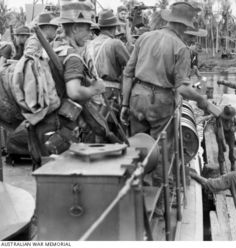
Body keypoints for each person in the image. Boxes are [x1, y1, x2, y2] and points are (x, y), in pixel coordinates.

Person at [120, 2, 221, 215]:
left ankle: (132, 199)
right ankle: (157, 206)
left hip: (137, 97)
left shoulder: (145, 37)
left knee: (137, 149)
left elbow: (127, 73)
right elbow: (183, 88)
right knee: (161, 152)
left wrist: (125, 103)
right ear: (185, 26)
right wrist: (203, 102)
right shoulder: (180, 48)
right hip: (160, 103)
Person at [33, 0, 107, 156]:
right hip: (60, 128)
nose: (89, 34)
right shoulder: (72, 56)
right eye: (87, 29)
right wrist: (95, 89)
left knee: (44, 173)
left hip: (40, 123)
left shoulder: (51, 50)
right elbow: (74, 92)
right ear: (75, 28)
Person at [83, 10, 130, 140]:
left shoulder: (88, 45)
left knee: (97, 130)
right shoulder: (115, 43)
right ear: (114, 28)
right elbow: (130, 68)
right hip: (111, 94)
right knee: (114, 133)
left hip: (92, 94)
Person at [215, 105, 236, 173]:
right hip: (221, 132)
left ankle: (233, 163)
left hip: (230, 133)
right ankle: (222, 166)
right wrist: (224, 144)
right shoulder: (219, 119)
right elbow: (221, 134)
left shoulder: (233, 118)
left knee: (232, 148)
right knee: (221, 149)